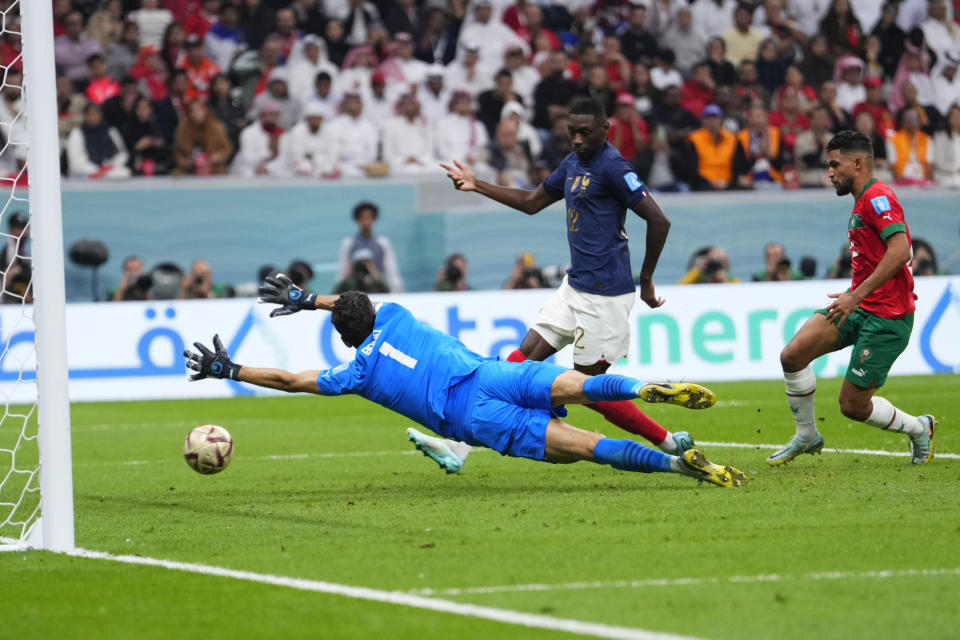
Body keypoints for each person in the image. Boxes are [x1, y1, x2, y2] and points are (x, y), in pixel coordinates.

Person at [183, 281, 745, 488]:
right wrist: (310, 300)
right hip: (490, 370)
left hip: (472, 417)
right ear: (372, 311)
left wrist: (230, 370)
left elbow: (290, 379)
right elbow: (352, 304)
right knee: (575, 384)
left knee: (582, 449)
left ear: (343, 336)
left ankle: (675, 466)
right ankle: (648, 388)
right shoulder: (397, 313)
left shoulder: (353, 372)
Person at [437, 97, 700, 471]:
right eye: (571, 132)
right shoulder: (573, 163)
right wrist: (477, 184)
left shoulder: (614, 167)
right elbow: (531, 202)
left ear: (605, 129)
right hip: (574, 286)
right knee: (518, 363)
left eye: (584, 133)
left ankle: (667, 441)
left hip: (606, 296)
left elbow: (659, 221)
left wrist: (646, 280)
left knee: (590, 391)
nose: (576, 140)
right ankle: (458, 445)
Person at [769, 130, 935, 467]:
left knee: (853, 407)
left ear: (858, 163)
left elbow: (902, 250)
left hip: (887, 318)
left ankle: (919, 429)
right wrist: (854, 296)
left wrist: (855, 296)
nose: (828, 173)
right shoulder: (861, 202)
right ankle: (807, 435)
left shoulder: (878, 198)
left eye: (834, 165)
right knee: (792, 355)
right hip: (857, 305)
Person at [335, 201, 404, 293]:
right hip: (354, 290)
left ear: (374, 219)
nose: (365, 222)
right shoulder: (348, 244)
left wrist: (396, 291)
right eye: (362, 218)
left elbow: (392, 272)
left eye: (368, 218)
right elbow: (341, 273)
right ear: (357, 220)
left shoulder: (383, 243)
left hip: (378, 289)